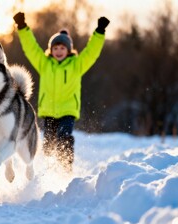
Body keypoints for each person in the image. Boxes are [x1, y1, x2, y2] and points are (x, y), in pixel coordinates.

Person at [13, 12, 110, 171]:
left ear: (68, 50)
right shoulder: (44, 64)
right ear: (51, 50)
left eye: (62, 48)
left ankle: (65, 167)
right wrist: (22, 27)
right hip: (49, 111)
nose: (58, 51)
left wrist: (99, 32)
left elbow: (92, 52)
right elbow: (31, 48)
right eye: (55, 48)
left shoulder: (77, 65)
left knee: (64, 137)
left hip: (67, 110)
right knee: (49, 144)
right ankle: (50, 171)